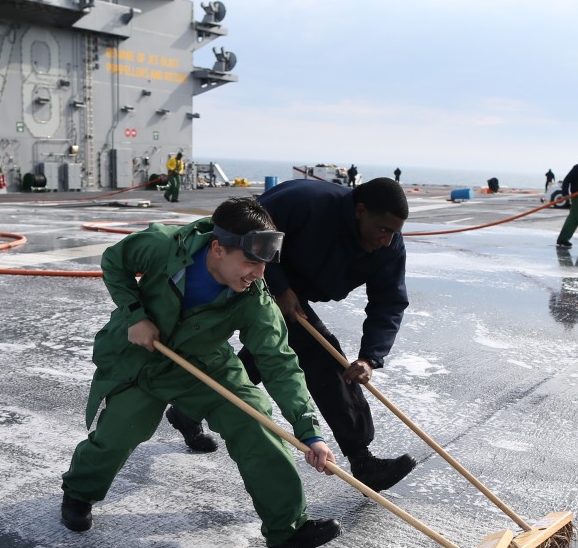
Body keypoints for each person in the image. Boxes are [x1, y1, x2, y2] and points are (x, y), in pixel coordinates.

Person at [59, 196, 342, 548]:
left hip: (205, 362)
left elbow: (279, 363)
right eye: (250, 262)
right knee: (118, 433)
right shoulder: (163, 247)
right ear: (217, 249)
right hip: (143, 356)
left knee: (255, 422)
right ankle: (79, 492)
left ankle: (286, 527)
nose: (258, 274)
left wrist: (309, 432)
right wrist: (135, 315)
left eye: (265, 265)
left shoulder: (254, 299)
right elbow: (115, 262)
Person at [166, 178, 417, 491]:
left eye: (395, 232)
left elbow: (389, 300)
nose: (387, 239)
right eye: (383, 229)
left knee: (264, 356)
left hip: (297, 290)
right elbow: (252, 234)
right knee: (322, 354)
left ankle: (188, 410)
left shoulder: (389, 245)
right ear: (361, 211)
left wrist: (370, 356)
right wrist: (280, 286)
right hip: (250, 274)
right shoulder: (306, 202)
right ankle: (361, 459)